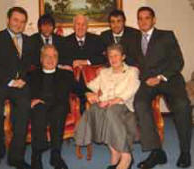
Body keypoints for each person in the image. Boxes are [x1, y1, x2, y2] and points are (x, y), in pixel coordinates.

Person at [132, 6, 192, 169]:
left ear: (154, 20)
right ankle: (157, 151)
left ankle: (185, 152)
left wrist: (160, 77)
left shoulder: (166, 35)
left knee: (182, 105)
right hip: (148, 82)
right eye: (140, 18)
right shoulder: (134, 39)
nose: (143, 21)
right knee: (139, 103)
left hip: (169, 79)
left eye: (147, 18)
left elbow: (178, 61)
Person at [75, 44, 140, 169]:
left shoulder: (132, 71)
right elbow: (89, 85)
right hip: (105, 105)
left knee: (109, 111)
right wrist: (88, 93)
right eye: (110, 56)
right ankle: (114, 152)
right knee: (94, 110)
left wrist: (111, 101)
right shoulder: (104, 72)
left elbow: (132, 88)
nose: (113, 59)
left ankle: (126, 156)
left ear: (123, 57)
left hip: (123, 105)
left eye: (116, 55)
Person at [0, 7, 32, 169]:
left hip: (20, 85)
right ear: (8, 20)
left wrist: (23, 80)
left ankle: (16, 157)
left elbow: (31, 66)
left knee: (23, 113)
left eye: (22, 21)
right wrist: (10, 81)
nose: (19, 24)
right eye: (16, 20)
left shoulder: (28, 40)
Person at [30, 45, 75, 169]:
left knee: (60, 110)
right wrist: (31, 100)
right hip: (40, 106)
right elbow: (23, 91)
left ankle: (55, 156)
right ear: (41, 59)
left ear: (58, 59)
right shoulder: (32, 74)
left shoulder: (66, 74)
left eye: (54, 56)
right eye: (47, 56)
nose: (51, 59)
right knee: (39, 109)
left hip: (57, 106)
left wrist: (89, 92)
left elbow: (78, 88)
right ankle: (36, 155)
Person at [64, 14, 106, 113]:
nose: (80, 27)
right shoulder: (65, 41)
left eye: (83, 24)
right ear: (73, 26)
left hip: (92, 79)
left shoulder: (96, 39)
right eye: (78, 24)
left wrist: (86, 62)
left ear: (87, 26)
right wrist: (72, 62)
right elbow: (60, 59)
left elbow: (103, 58)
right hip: (74, 80)